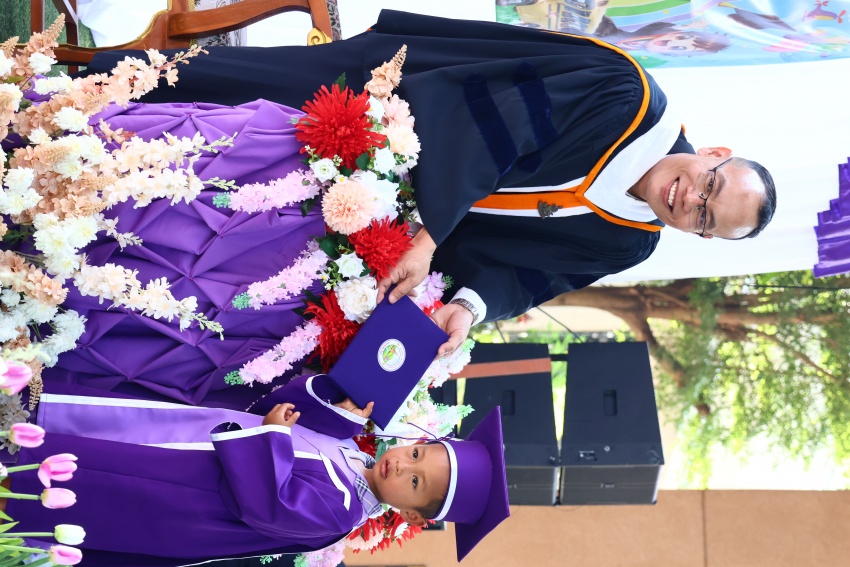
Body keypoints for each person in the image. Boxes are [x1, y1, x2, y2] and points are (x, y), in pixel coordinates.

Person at [63, 10, 776, 403]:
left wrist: (469, 306)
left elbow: (531, 275)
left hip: (378, 229)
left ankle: (90, 279)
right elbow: (493, 119)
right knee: (208, 117)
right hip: (373, 114)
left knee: (255, 288)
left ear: (700, 237)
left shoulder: (632, 241)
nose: (691, 200)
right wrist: (432, 229)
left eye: (706, 219)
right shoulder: (626, 94)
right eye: (710, 185)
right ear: (715, 151)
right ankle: (64, 119)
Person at [3, 376, 510, 566]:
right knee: (92, 438)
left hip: (171, 493)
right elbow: (286, 414)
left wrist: (271, 435)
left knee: (69, 474)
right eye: (417, 454)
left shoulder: (340, 513)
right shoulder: (353, 455)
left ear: (412, 514)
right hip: (178, 450)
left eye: (415, 482)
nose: (401, 463)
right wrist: (340, 414)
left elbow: (267, 502)